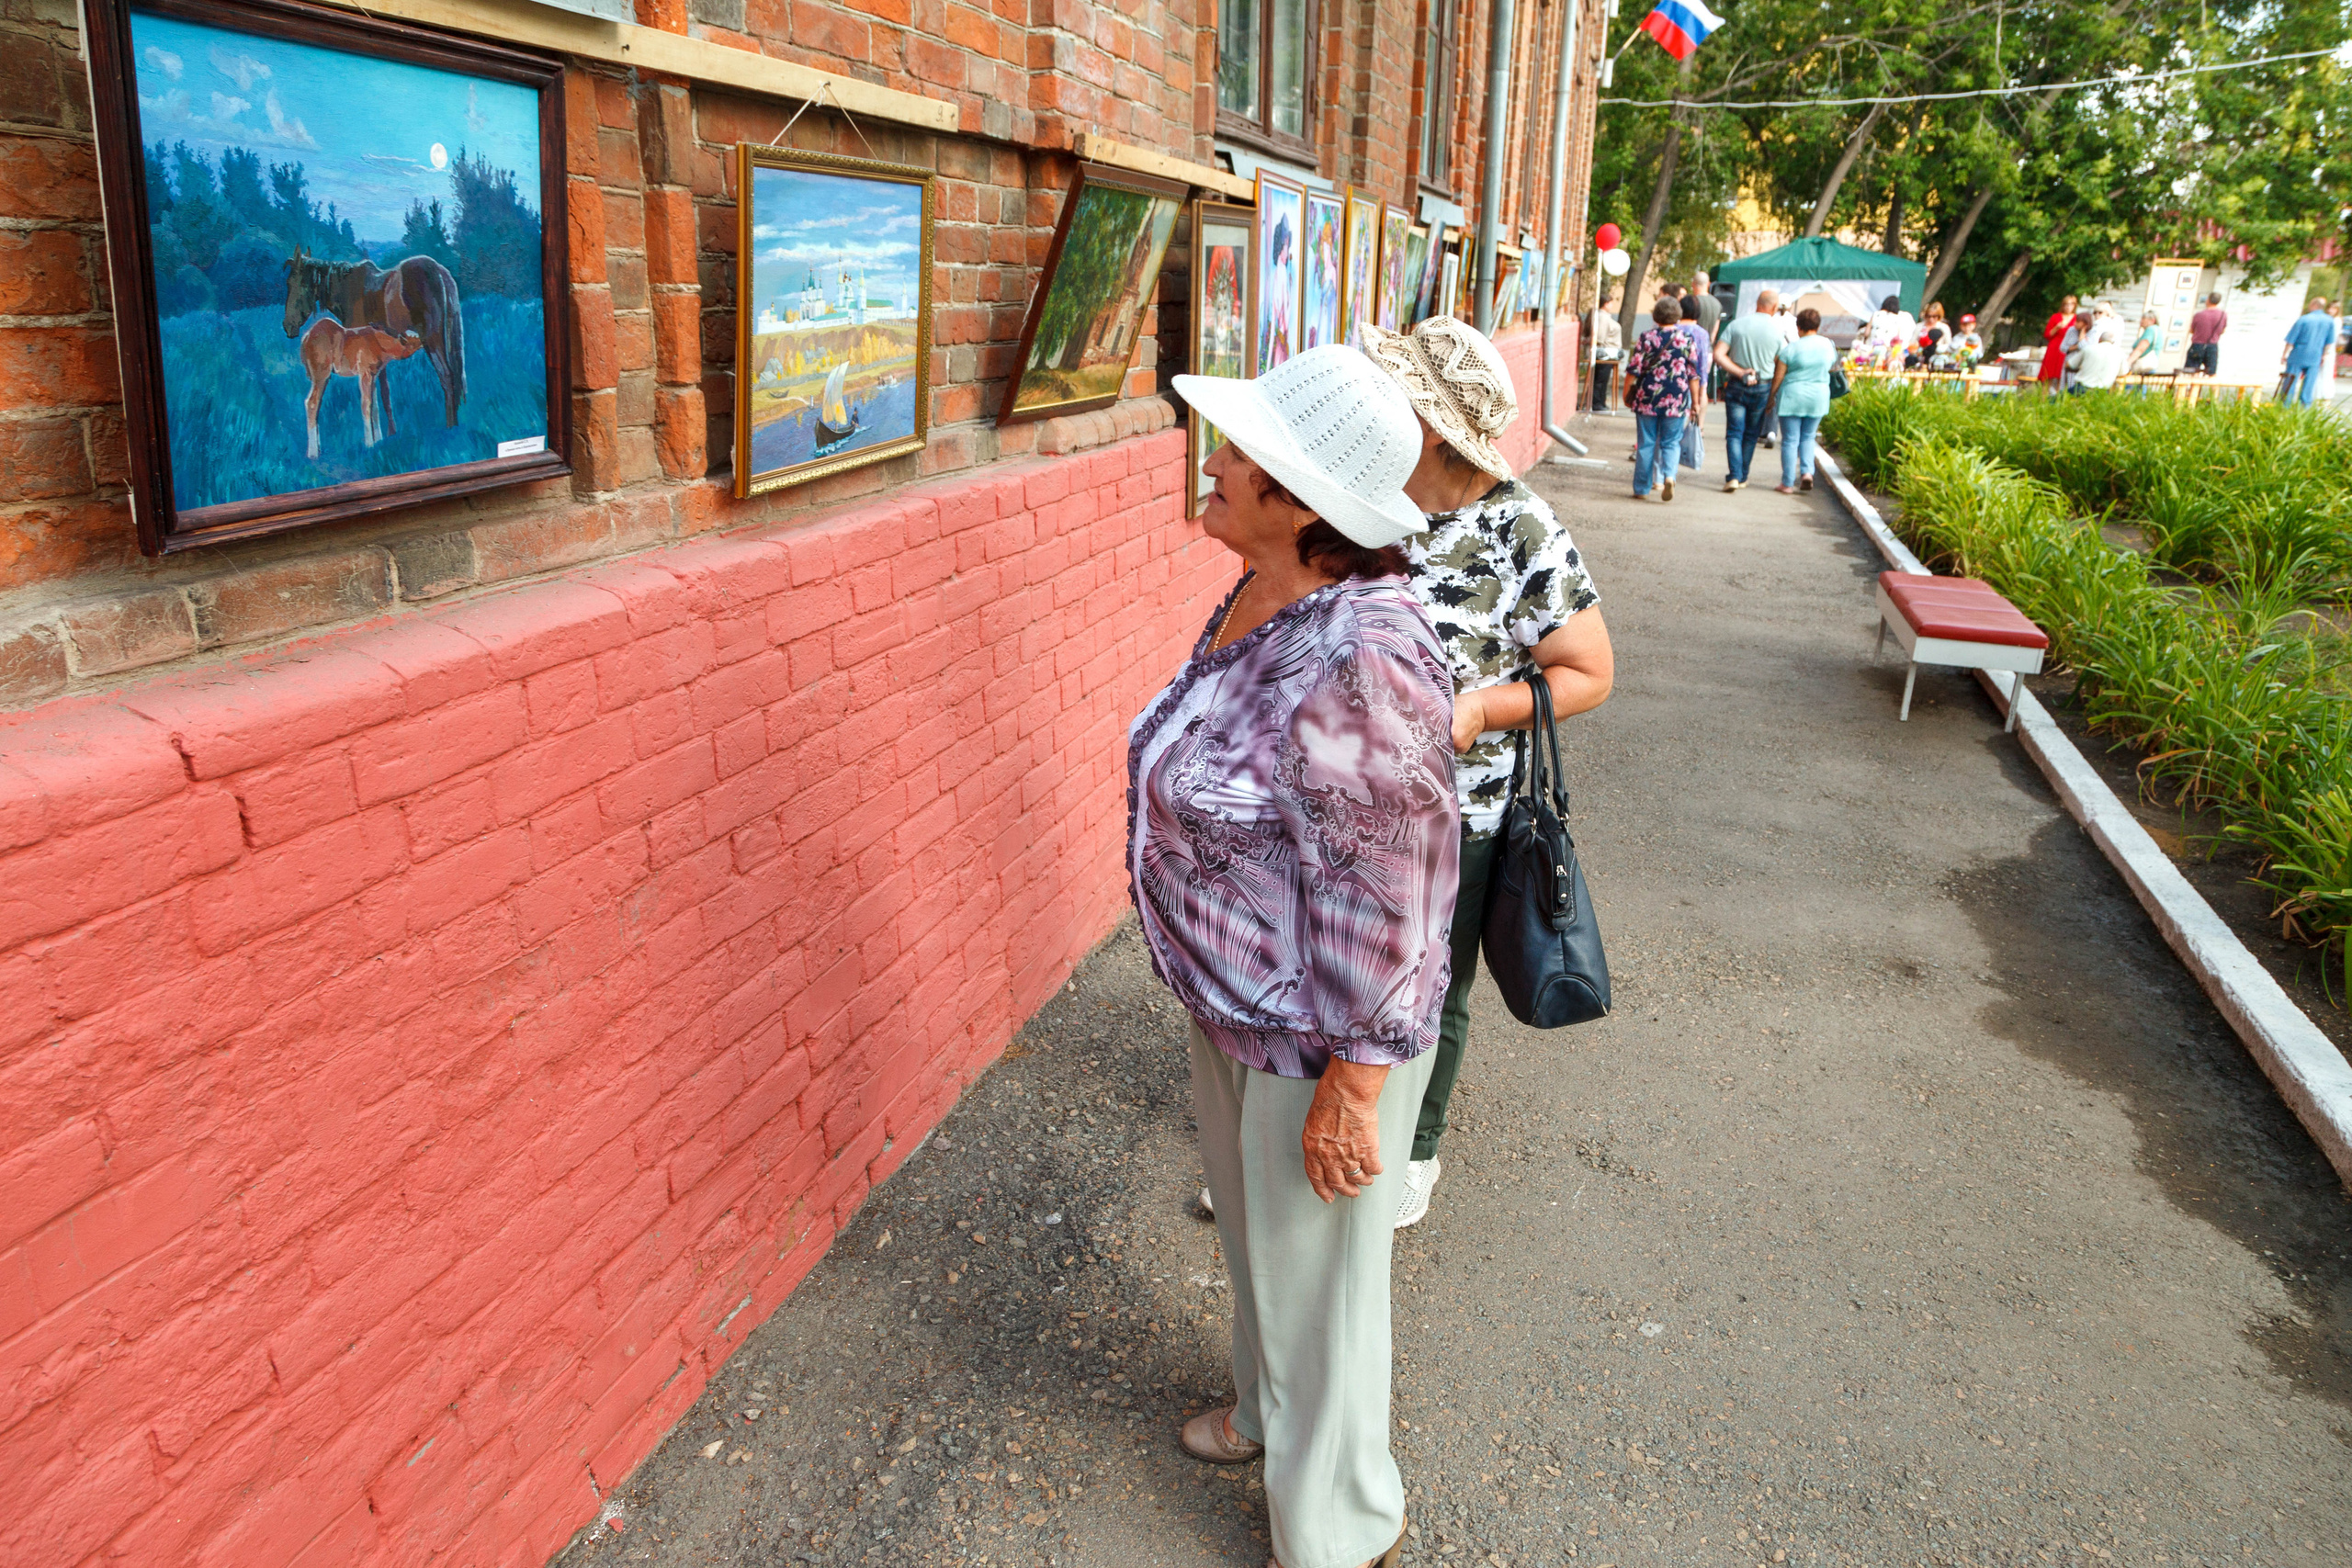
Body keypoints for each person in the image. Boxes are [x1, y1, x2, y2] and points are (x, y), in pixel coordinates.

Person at [1152, 344, 1457, 1568]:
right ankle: (1274, 1415)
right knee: (1261, 1242)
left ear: (1301, 500)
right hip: (1238, 1002)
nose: (1214, 462)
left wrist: (1358, 1082)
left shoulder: (1363, 655)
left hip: (1322, 1034)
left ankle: (1341, 1527)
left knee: (1327, 1281)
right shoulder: (1265, 593)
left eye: (1241, 453)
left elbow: (1398, 885)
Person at [1359, 316, 1612, 1228]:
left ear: (1428, 421)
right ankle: (1295, 1153)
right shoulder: (1359, 495)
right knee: (1333, 977)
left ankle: (1413, 1151)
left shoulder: (1517, 528)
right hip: (1337, 804)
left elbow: (1588, 672)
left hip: (1452, 815)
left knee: (1431, 987)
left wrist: (1475, 709)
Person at [1624, 296, 1702, 501]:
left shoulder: (1646, 337)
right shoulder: (1686, 339)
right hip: (1676, 399)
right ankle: (1669, 476)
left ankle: (1641, 488)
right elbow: (1693, 374)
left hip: (1647, 397)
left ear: (1656, 315)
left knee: (1646, 443)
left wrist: (1626, 393)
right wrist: (1695, 402)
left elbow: (1634, 369)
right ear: (1677, 316)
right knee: (1671, 442)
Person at [1713, 287, 1781, 491]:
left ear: (1757, 305)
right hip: (1763, 386)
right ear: (1775, 307)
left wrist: (1739, 371)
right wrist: (1773, 395)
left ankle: (1734, 476)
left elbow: (1718, 354)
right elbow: (1781, 364)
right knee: (1751, 434)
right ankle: (1742, 476)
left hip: (1737, 384)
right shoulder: (1778, 332)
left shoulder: (1737, 325)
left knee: (1734, 432)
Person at [1766, 306, 1837, 493]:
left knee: (1790, 440)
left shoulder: (1790, 349)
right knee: (1808, 437)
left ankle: (1787, 483)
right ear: (1818, 326)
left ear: (1798, 327)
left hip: (1792, 397)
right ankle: (1807, 473)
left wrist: (1771, 398)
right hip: (1818, 397)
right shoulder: (1828, 345)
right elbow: (1830, 366)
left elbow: (1779, 377)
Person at [2279, 296, 2334, 406]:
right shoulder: (2329, 321)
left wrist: (2284, 354)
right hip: (2315, 356)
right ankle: (2305, 406)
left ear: (2314, 305)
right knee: (2309, 383)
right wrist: (2324, 355)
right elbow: (2329, 342)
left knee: (2290, 381)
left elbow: (2291, 340)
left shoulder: (2304, 319)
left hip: (2298, 354)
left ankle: (2285, 405)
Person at [2039, 293, 2079, 392]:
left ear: (2074, 305)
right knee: (2048, 375)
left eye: (2071, 304)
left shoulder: (2076, 319)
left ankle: (2057, 399)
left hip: (2067, 349)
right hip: (2054, 347)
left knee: (2062, 375)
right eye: (2066, 304)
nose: (2068, 307)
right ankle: (2043, 400)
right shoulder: (2055, 317)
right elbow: (2047, 335)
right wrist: (2057, 327)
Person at [1587, 298, 1623, 410]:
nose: (1612, 305)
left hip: (1608, 352)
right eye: (1611, 303)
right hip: (1605, 352)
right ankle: (1596, 402)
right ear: (1606, 304)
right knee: (1600, 378)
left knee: (1603, 378)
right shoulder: (1602, 317)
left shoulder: (1604, 317)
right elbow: (1601, 336)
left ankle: (1600, 401)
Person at [2186, 291, 2226, 377]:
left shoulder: (2199, 315)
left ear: (2208, 300)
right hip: (2212, 346)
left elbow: (2192, 330)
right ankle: (2214, 390)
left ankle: (2193, 389)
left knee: (2192, 372)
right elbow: (2222, 330)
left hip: (2198, 345)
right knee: (2212, 373)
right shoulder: (2223, 315)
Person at [2127, 310, 2162, 374]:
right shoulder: (2158, 330)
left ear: (2152, 320)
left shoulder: (2151, 329)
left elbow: (2140, 349)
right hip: (2150, 368)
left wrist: (2128, 362)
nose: (2141, 321)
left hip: (2143, 368)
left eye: (2143, 318)